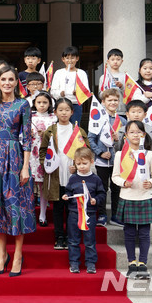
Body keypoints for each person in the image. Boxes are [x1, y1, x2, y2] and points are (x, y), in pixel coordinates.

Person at [0, 66, 35, 277]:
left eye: (11, 79)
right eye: (3, 79)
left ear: (16, 82)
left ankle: (19, 255)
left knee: (16, 207)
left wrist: (25, 167)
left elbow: (28, 138)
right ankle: (2, 255)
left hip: (15, 157)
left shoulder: (23, 104)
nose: (7, 83)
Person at [112, 120, 152, 279]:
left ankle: (143, 263)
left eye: (138, 132)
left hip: (145, 197)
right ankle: (131, 263)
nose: (135, 135)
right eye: (131, 132)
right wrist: (123, 183)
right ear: (125, 135)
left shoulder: (150, 154)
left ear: (144, 134)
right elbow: (115, 177)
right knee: (129, 233)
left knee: (145, 233)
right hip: (127, 197)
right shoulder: (120, 155)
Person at [40, 98, 90, 251]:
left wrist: (78, 166)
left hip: (72, 174)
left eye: (67, 110)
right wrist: (46, 164)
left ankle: (71, 236)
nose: (64, 112)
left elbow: (86, 151)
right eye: (60, 110)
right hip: (56, 173)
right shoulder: (50, 130)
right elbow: (43, 151)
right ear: (55, 112)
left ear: (72, 112)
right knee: (57, 207)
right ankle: (59, 237)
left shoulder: (78, 131)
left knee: (71, 208)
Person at [62, 147, 106, 274]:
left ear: (91, 162)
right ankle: (74, 263)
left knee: (90, 240)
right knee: (73, 239)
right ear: (75, 163)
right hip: (74, 213)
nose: (81, 166)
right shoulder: (73, 178)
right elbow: (69, 192)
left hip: (90, 214)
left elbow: (102, 194)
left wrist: (96, 200)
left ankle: (91, 263)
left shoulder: (96, 179)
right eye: (79, 164)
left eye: (84, 163)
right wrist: (66, 196)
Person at [88, 88, 125, 227]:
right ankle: (102, 214)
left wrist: (117, 140)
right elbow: (91, 139)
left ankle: (115, 215)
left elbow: (125, 144)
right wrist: (100, 153)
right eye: (109, 100)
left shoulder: (122, 121)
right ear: (103, 102)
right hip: (102, 161)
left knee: (116, 188)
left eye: (115, 100)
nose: (113, 102)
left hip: (117, 161)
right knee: (102, 188)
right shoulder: (97, 119)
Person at [29, 91, 57, 227]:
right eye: (39, 102)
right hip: (31, 154)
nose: (42, 105)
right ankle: (29, 213)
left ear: (50, 104)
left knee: (43, 185)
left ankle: (43, 214)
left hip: (46, 154)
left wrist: (45, 134)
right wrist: (30, 133)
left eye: (45, 102)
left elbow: (56, 135)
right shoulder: (29, 117)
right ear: (34, 103)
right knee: (29, 183)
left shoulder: (53, 118)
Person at [50, 46, 88, 126]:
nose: (70, 60)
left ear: (77, 58)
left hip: (75, 105)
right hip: (61, 104)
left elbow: (86, 92)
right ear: (63, 59)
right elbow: (53, 91)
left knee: (75, 127)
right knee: (61, 126)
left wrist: (78, 93)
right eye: (67, 58)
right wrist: (60, 94)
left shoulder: (81, 73)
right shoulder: (59, 73)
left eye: (72, 58)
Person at [98, 48, 126, 115]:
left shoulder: (125, 77)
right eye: (112, 59)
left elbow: (129, 94)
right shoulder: (103, 77)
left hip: (121, 110)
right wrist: (106, 92)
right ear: (108, 61)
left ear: (122, 61)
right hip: (106, 110)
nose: (115, 62)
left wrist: (121, 87)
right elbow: (100, 95)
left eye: (118, 59)